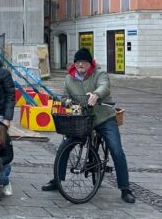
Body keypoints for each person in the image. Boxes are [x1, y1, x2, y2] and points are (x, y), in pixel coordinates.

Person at [41, 48, 135, 203]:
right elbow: (64, 97)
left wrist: (96, 94)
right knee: (64, 146)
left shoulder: (99, 74)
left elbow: (104, 87)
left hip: (104, 118)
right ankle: (57, 180)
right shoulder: (69, 79)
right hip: (83, 120)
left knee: (116, 150)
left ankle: (125, 188)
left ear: (89, 63)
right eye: (77, 61)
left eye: (83, 61)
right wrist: (67, 102)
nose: (80, 64)